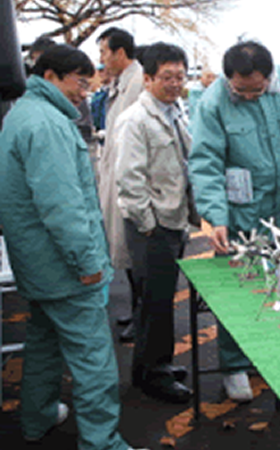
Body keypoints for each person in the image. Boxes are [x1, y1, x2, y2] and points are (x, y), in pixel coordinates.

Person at [0, 44, 146, 450]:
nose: (85, 92)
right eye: (80, 83)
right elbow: (62, 207)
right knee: (93, 358)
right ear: (51, 77)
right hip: (63, 267)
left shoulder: (21, 115)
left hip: (36, 263)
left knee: (44, 345)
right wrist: (86, 262)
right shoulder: (47, 124)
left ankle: (38, 418)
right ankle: (101, 442)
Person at [189, 40, 280, 401]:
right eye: (242, 91)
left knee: (274, 287)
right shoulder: (213, 102)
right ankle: (233, 365)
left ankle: (264, 354)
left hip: (279, 210)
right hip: (238, 214)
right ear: (229, 81)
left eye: (257, 88)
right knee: (238, 291)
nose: (251, 95)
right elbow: (205, 162)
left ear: (269, 76)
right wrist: (216, 216)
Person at [114, 42, 196, 403]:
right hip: (153, 226)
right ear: (147, 79)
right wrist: (148, 226)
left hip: (173, 221)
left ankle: (156, 364)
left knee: (160, 301)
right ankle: (151, 374)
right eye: (167, 77)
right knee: (154, 303)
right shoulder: (135, 119)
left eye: (180, 76)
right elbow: (129, 180)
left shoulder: (175, 110)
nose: (175, 83)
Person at [97, 27, 145, 342]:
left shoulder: (138, 84)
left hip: (132, 188)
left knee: (137, 258)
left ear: (120, 52)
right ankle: (137, 313)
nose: (100, 60)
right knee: (128, 257)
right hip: (118, 182)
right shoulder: (121, 84)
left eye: (103, 52)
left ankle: (142, 319)